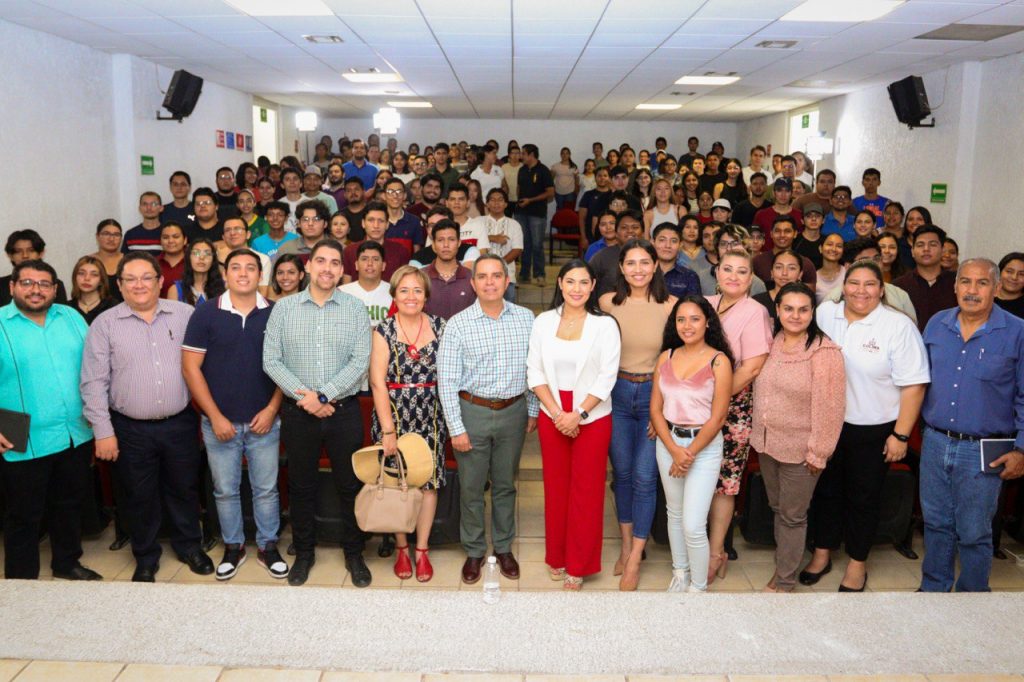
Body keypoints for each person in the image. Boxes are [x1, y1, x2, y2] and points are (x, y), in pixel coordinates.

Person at [81, 252, 214, 582]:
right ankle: (145, 556)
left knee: (184, 489)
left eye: (146, 277)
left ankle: (189, 547)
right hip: (130, 428)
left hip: (180, 422)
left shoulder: (185, 315)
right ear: (119, 285)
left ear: (160, 281)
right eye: (130, 279)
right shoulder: (104, 324)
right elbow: (93, 381)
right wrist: (103, 432)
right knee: (138, 495)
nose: (139, 285)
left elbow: (206, 364)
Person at [804, 259, 929, 592]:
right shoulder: (825, 314)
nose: (861, 291)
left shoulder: (897, 326)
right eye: (854, 283)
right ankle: (822, 553)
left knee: (864, 497)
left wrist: (901, 434)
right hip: (828, 424)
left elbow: (914, 385)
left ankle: (857, 564)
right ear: (843, 287)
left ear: (882, 289)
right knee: (826, 492)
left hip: (873, 427)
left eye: (870, 284)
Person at [262, 238, 372, 587]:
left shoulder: (355, 308)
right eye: (321, 261)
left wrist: (324, 395)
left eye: (335, 263)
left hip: (344, 412)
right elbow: (271, 361)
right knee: (301, 486)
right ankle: (304, 553)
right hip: (299, 414)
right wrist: (306, 398)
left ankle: (354, 553)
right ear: (308, 266)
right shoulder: (284, 309)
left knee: (349, 485)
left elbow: (360, 361)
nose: (327, 268)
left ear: (342, 270)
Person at [182, 248, 288, 581]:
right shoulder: (205, 313)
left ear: (260, 275)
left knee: (266, 489)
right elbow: (190, 368)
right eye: (236, 268)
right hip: (219, 423)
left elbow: (287, 367)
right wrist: (214, 416)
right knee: (225, 490)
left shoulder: (277, 313)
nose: (243, 273)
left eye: (250, 268)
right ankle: (234, 546)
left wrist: (272, 409)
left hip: (264, 421)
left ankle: (268, 546)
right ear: (225, 274)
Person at [919, 259, 1024, 592]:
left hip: (984, 450)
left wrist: (1021, 449)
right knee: (936, 524)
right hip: (935, 442)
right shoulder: (937, 324)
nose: (972, 290)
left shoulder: (1018, 331)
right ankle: (934, 589)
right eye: (965, 281)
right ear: (955, 287)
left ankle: (973, 598)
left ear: (997, 288)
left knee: (975, 531)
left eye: (982, 283)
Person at [437, 254, 538, 585]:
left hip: (513, 411)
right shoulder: (458, 324)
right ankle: (475, 550)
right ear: (473, 283)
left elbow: (535, 369)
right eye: (483, 276)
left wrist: (532, 409)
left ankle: (504, 547)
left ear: (507, 281)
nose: (490, 282)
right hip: (472, 412)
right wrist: (456, 427)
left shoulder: (526, 319)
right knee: (471, 486)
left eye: (497, 276)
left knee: (506, 484)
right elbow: (447, 380)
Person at [1, 259, 102, 581]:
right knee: (23, 515)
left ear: (55, 289)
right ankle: (21, 581)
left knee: (68, 505)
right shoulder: (1, 323)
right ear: (12, 287)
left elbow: (95, 365)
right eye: (27, 283)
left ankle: (66, 563)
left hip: (74, 431)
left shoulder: (70, 317)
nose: (36, 290)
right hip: (19, 434)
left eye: (44, 284)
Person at [528, 259, 619, 590]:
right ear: (560, 284)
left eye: (583, 282)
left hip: (592, 415)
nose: (576, 289)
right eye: (570, 281)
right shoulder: (543, 321)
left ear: (593, 286)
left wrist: (578, 413)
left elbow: (607, 376)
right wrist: (557, 413)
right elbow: (534, 371)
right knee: (556, 487)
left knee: (586, 490)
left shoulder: (605, 325)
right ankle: (557, 555)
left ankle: (579, 564)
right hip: (552, 411)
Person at [752, 282, 846, 593]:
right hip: (767, 445)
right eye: (789, 308)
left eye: (803, 309)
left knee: (792, 517)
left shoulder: (824, 351)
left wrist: (819, 452)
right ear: (777, 310)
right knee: (778, 509)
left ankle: (784, 582)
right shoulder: (772, 340)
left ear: (812, 312)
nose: (795, 315)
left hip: (801, 451)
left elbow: (830, 407)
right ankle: (783, 566)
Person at [598, 239, 677, 590]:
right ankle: (627, 545)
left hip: (652, 396)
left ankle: (635, 557)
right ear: (621, 267)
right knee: (624, 475)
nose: (638, 269)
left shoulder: (671, 305)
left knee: (645, 477)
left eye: (645, 262)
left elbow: (676, 362)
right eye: (631, 263)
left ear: (655, 265)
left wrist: (661, 410)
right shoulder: (606, 304)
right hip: (615, 394)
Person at [368, 266, 448, 583]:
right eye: (404, 290)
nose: (411, 296)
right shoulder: (383, 330)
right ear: (394, 295)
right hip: (394, 415)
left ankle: (422, 549)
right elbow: (377, 382)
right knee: (396, 482)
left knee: (429, 483)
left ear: (426, 295)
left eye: (417, 290)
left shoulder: (441, 327)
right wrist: (387, 430)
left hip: (432, 414)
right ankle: (402, 547)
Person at [650, 295, 733, 592]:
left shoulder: (719, 361)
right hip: (668, 443)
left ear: (707, 322)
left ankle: (698, 588)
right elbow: (655, 410)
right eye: (681, 319)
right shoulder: (666, 357)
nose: (687, 325)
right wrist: (674, 450)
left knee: (694, 524)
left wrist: (688, 453)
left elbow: (719, 417)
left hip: (704, 448)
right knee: (674, 513)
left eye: (695, 319)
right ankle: (680, 573)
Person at [705, 248, 772, 582]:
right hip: (694, 406)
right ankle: (694, 546)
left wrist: (716, 399)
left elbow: (752, 367)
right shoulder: (704, 305)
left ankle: (716, 551)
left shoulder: (755, 311)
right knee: (696, 479)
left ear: (751, 278)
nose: (733, 276)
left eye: (741, 271)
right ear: (717, 273)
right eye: (727, 269)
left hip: (733, 407)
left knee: (724, 484)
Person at [893, 224, 958, 332]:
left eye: (932, 244)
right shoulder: (898, 286)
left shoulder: (957, 283)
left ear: (942, 250)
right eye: (920, 245)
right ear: (912, 251)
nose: (926, 249)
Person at [516, 143, 555, 286]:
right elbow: (519, 188)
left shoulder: (543, 170)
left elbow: (550, 193)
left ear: (531, 155)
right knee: (524, 244)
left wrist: (530, 200)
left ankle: (539, 274)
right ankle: (524, 274)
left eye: (523, 153)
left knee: (537, 245)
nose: (521, 156)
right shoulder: (522, 170)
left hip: (537, 213)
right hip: (521, 213)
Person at [0, 230, 68, 307]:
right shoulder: (1, 285)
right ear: (10, 255)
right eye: (18, 251)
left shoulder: (54, 284)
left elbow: (60, 312)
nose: (25, 255)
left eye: (31, 250)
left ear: (41, 253)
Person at [339, 241, 392, 327]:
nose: (370, 263)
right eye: (364, 259)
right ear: (356, 265)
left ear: (383, 266)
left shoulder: (394, 292)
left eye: (375, 259)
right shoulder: (341, 293)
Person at [166, 238, 225, 306]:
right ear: (189, 258)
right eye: (196, 253)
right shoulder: (175, 290)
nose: (202, 257)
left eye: (207, 253)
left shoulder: (224, 287)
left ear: (213, 260)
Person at [652, 222, 701, 299]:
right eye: (662, 240)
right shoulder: (643, 273)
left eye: (674, 241)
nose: (668, 245)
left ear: (680, 245)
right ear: (653, 242)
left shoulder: (689, 276)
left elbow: (695, 305)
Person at [753, 250, 804, 323]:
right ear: (771, 272)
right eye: (779, 267)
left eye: (792, 268)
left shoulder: (806, 301)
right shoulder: (756, 302)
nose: (784, 273)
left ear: (800, 274)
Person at [69, 255, 118, 325]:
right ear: (75, 277)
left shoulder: (113, 307)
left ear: (101, 280)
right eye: (81, 273)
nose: (87, 278)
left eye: (94, 274)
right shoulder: (67, 308)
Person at [91, 219, 124, 287]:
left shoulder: (129, 261)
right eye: (106, 234)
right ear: (97, 236)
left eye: (116, 235)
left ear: (121, 238)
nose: (111, 239)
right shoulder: (88, 262)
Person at [815, 233, 846, 304]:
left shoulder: (849, 273)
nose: (834, 249)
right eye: (829, 244)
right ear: (820, 248)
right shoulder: (814, 277)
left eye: (839, 246)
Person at [996, 252, 1024, 318]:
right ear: (999, 272)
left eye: (1021, 274)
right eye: (1009, 271)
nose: (1014, 277)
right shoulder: (985, 297)